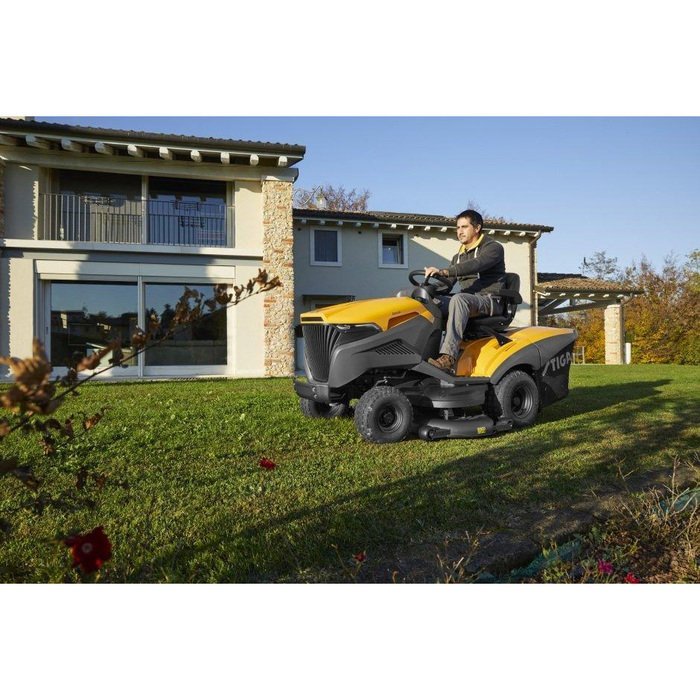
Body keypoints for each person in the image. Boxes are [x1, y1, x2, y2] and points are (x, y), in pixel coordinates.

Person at [424, 209, 506, 372]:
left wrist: (445, 271)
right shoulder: (458, 256)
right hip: (468, 300)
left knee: (459, 299)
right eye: (458, 228)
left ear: (477, 228)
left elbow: (476, 264)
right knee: (427, 300)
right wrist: (427, 289)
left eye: (464, 227)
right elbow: (447, 283)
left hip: (489, 300)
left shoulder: (493, 248)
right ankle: (422, 351)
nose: (459, 231)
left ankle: (448, 357)